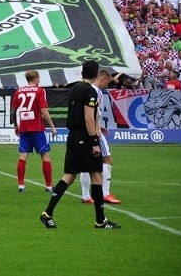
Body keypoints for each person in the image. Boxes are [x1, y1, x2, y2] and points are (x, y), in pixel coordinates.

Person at [40, 60, 121, 229]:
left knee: (69, 176)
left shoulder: (75, 87)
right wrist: (94, 142)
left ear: (82, 72)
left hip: (73, 136)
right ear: (96, 73)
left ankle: (48, 213)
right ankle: (100, 220)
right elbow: (88, 117)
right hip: (85, 136)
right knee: (97, 176)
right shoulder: (90, 90)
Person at [10, 70, 57, 193]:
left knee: (23, 156)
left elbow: (13, 111)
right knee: (45, 156)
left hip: (24, 128)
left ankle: (21, 186)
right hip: (37, 128)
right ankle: (48, 186)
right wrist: (52, 126)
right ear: (35, 78)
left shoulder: (18, 91)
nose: (39, 81)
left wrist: (16, 125)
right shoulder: (40, 91)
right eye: (39, 78)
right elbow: (43, 110)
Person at [79, 70, 121, 204]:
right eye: (107, 82)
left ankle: (86, 196)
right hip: (93, 132)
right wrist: (97, 130)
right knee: (107, 159)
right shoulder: (96, 92)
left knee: (85, 164)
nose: (107, 85)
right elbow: (91, 114)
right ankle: (105, 193)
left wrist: (99, 124)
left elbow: (89, 113)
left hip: (83, 131)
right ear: (102, 79)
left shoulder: (85, 89)